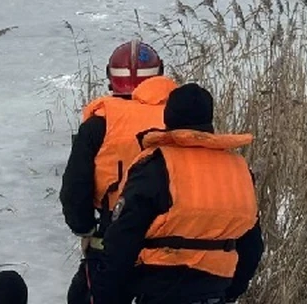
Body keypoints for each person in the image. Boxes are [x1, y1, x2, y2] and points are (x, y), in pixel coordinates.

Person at [90, 83, 264, 304]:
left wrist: (107, 296)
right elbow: (253, 246)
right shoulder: (238, 171)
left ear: (167, 118)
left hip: (159, 292)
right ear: (209, 120)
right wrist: (230, 292)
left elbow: (122, 240)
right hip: (214, 292)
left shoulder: (155, 166)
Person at [60, 39, 177, 304]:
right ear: (159, 74)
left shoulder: (98, 125)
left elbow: (75, 189)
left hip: (109, 242)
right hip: (172, 246)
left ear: (111, 78)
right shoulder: (177, 119)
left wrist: (85, 230)